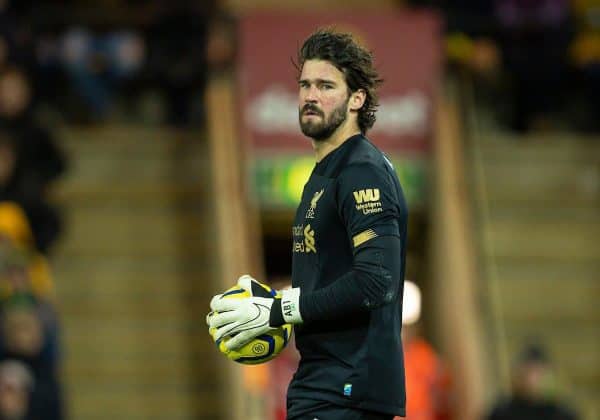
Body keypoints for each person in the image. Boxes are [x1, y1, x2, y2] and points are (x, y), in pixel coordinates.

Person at [208, 29, 408, 420]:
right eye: (305, 85)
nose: (310, 96)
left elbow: (376, 280)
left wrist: (280, 309)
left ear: (357, 99)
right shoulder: (324, 174)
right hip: (323, 389)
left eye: (325, 86)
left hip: (347, 392)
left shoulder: (362, 171)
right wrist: (275, 303)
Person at [485, 344, 578, 420]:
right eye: (528, 371)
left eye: (538, 372)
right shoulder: (502, 413)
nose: (532, 379)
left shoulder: (563, 414)